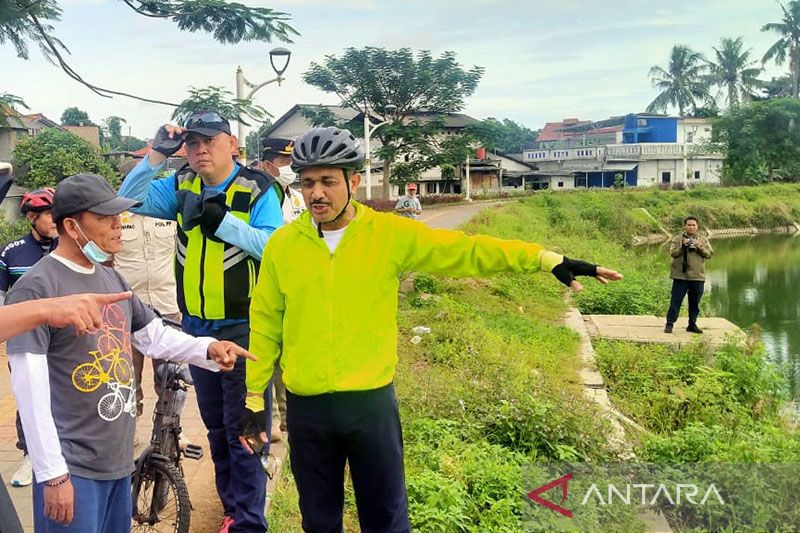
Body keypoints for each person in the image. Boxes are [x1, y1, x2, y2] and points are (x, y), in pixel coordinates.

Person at [240, 127, 623, 532]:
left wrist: (545, 258)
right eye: (309, 182)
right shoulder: (283, 246)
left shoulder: (387, 235)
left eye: (328, 181)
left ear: (353, 182)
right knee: (318, 521)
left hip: (370, 406)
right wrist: (253, 398)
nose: (317, 193)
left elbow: (465, 251)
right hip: (309, 409)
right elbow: (265, 325)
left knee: (386, 518)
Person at [5, 173, 255, 532]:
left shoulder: (112, 279)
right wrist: (52, 474)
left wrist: (208, 348)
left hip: (116, 460)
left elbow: (152, 335)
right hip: (72, 467)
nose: (118, 224)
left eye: (118, 216)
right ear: (73, 227)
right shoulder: (37, 288)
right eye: (105, 217)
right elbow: (29, 390)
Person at [119, 110, 283, 533]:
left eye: (209, 140)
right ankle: (232, 509)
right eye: (192, 143)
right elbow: (126, 199)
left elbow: (274, 248)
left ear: (232, 143)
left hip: (246, 329)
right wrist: (156, 154)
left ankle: (249, 521)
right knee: (214, 427)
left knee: (245, 427)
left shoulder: (258, 187)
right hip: (196, 330)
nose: (200, 149)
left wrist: (220, 222)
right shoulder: (180, 185)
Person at [0, 188, 59, 488]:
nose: (55, 219)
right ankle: (29, 456)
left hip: (63, 341)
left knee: (66, 396)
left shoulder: (68, 246)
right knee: (29, 396)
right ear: (33, 217)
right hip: (25, 341)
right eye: (49, 214)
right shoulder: (11, 252)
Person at [257, 136, 307, 443]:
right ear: (267, 165)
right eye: (283, 162)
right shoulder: (261, 197)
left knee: (290, 352)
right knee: (269, 353)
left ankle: (290, 417)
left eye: (291, 163)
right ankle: (272, 419)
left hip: (298, 284)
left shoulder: (298, 198)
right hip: (268, 284)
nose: (288, 168)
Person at [665, 216, 714, 334]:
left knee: (695, 303)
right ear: (684, 226)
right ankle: (669, 324)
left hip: (697, 276)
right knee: (675, 301)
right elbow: (673, 253)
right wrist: (683, 246)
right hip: (680, 276)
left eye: (694, 225)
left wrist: (698, 246)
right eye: (689, 225)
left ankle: (692, 324)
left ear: (697, 227)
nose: (691, 227)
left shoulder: (703, 239)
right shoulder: (677, 239)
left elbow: (709, 254)